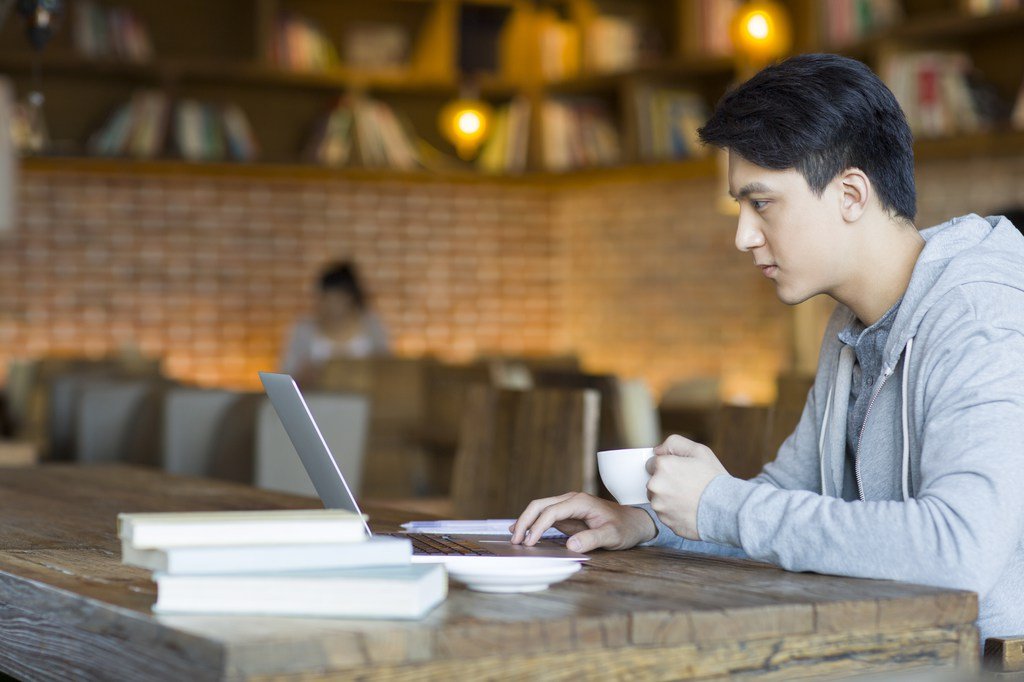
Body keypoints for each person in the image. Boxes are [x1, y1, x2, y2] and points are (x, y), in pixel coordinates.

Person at [511, 53, 1024, 642]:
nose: (743, 236)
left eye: (762, 203)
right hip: (883, 645)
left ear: (851, 194)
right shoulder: (852, 321)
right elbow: (785, 496)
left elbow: (961, 550)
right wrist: (649, 522)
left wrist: (721, 505)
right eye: (740, 206)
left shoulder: (982, 316)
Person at [280, 261, 389, 384]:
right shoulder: (304, 329)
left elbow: (386, 369)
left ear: (350, 297)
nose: (330, 305)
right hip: (316, 400)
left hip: (362, 399)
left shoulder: (371, 326)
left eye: (337, 297)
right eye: (324, 297)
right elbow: (285, 376)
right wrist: (301, 376)